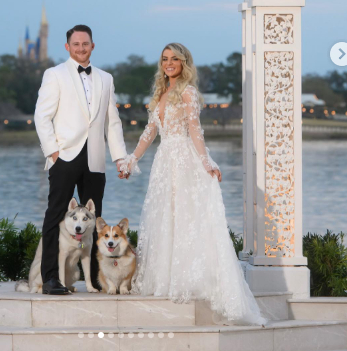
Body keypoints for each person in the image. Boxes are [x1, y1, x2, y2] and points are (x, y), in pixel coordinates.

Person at [118, 42, 267, 326]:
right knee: (165, 218)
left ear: (184, 62)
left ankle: (190, 279)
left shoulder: (188, 92)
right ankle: (165, 278)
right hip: (164, 162)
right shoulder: (161, 93)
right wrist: (131, 160)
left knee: (186, 217)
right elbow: (150, 132)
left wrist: (206, 161)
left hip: (184, 160)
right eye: (165, 59)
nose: (169, 63)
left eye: (174, 59)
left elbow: (196, 131)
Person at [34, 24, 128, 294]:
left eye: (85, 43)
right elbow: (42, 116)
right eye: (75, 44)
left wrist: (120, 157)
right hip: (64, 156)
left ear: (92, 45)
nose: (81, 48)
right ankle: (51, 278)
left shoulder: (105, 78)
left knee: (95, 220)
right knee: (55, 217)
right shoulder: (54, 74)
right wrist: (53, 151)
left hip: (95, 159)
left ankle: (98, 279)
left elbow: (113, 122)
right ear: (67, 47)